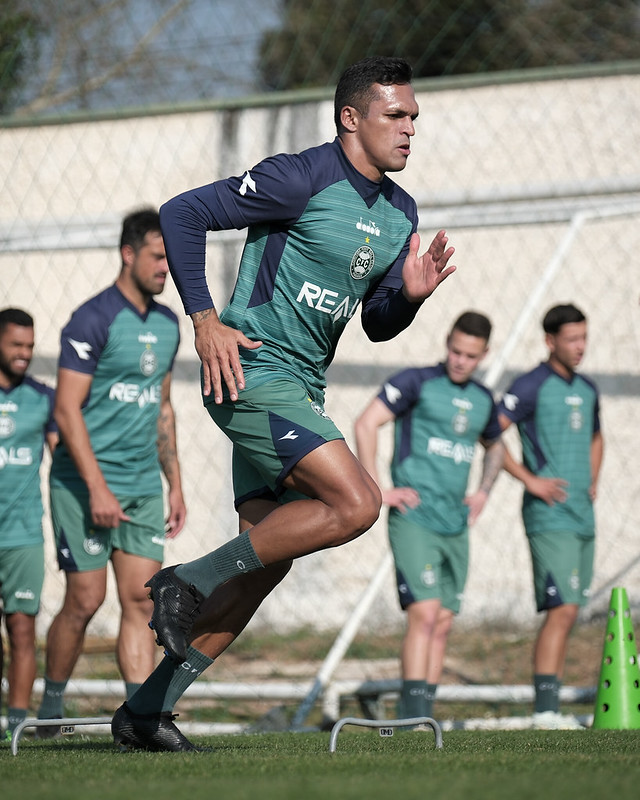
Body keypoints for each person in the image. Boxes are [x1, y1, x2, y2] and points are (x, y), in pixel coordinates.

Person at [110, 55, 456, 752]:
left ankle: (146, 712)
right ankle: (184, 580)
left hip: (302, 388)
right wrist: (205, 319)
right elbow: (182, 214)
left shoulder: (400, 213)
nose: (410, 128)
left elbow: (377, 320)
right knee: (359, 503)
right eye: (396, 115)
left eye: (414, 116)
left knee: (263, 565)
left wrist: (410, 299)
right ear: (350, 118)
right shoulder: (299, 177)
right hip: (252, 372)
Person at [37, 209, 186, 734]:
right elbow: (66, 410)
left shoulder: (169, 325)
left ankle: (140, 719)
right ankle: (50, 710)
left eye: (170, 256)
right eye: (157, 256)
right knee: (85, 598)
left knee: (141, 599)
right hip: (83, 486)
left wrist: (176, 485)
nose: (167, 267)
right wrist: (97, 488)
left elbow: (163, 408)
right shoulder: (92, 320)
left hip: (143, 486)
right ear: (128, 254)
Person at [354, 311, 503, 722]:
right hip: (414, 519)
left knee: (442, 621)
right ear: (447, 343)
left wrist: (484, 492)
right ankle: (410, 718)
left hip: (455, 524)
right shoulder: (416, 382)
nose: (460, 360)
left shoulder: (483, 400)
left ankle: (426, 719)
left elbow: (496, 446)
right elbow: (366, 423)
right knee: (424, 611)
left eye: (470, 355)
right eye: (455, 350)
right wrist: (377, 488)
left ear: (483, 355)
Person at [497, 303, 603, 730]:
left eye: (584, 338)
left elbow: (597, 436)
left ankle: (551, 705)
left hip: (582, 514)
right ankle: (545, 711)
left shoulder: (589, 388)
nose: (580, 347)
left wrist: (593, 479)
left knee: (572, 607)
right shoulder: (531, 385)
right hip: (549, 515)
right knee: (561, 609)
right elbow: (491, 433)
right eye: (572, 339)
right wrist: (531, 480)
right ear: (550, 341)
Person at [0, 308, 57, 743]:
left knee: (22, 632)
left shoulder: (43, 397)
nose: (25, 354)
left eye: (29, 346)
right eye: (16, 345)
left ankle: (16, 728)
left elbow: (64, 458)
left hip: (23, 536)